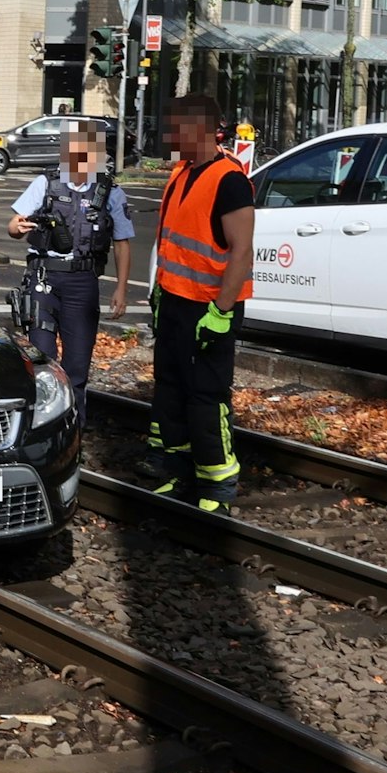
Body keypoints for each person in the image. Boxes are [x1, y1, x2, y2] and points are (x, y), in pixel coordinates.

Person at [147, 93, 256, 513]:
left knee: (206, 397)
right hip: (174, 301)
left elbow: (240, 251)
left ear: (204, 130)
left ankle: (217, 489)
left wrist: (222, 312)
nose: (172, 137)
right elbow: (172, 243)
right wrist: (158, 292)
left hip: (208, 309)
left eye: (178, 129)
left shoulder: (228, 179)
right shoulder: (181, 172)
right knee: (170, 391)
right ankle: (178, 472)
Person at [8, 123, 134, 425]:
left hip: (82, 283)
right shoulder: (46, 183)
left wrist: (121, 289)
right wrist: (18, 227)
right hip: (44, 281)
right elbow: (13, 225)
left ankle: (73, 432)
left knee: (77, 367)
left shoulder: (110, 193)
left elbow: (122, 242)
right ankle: (41, 428)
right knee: (43, 362)